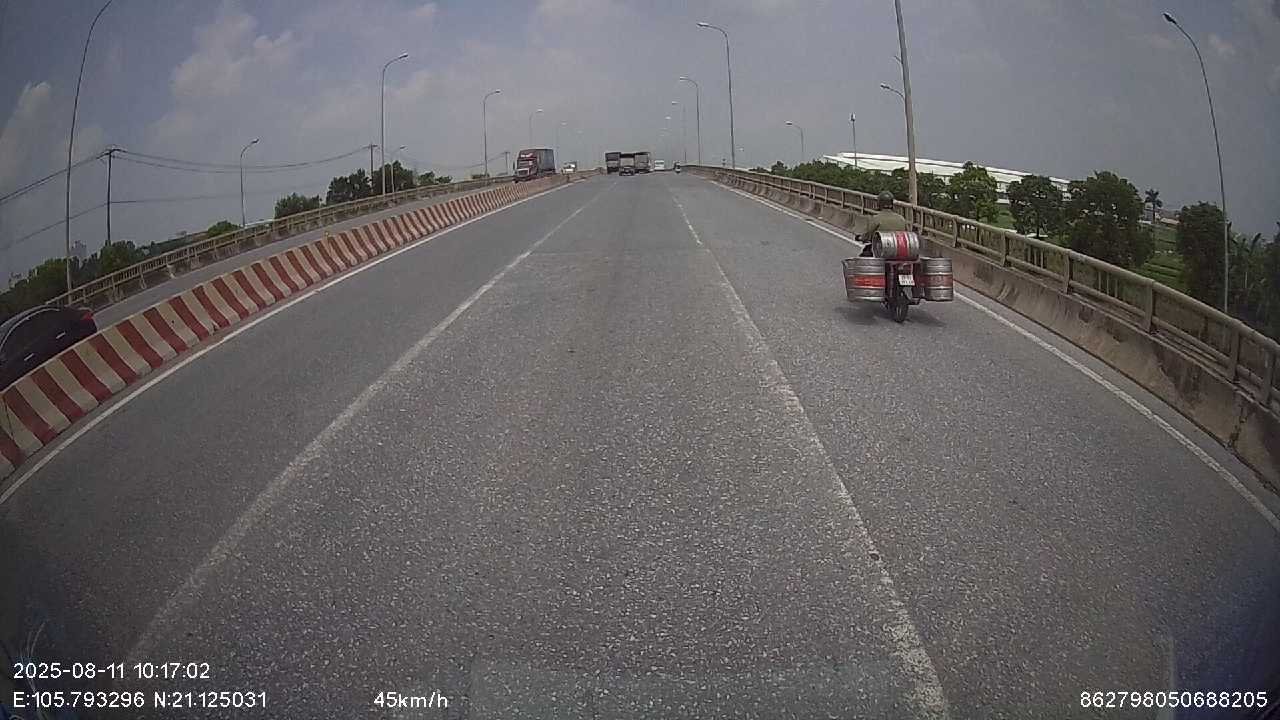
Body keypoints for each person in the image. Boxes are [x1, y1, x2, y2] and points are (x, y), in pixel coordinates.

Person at [858, 191, 908, 257]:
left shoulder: (875, 218)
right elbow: (907, 235)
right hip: (900, 252)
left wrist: (860, 238)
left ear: (879, 203)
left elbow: (867, 235)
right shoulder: (901, 219)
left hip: (880, 252)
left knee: (864, 256)